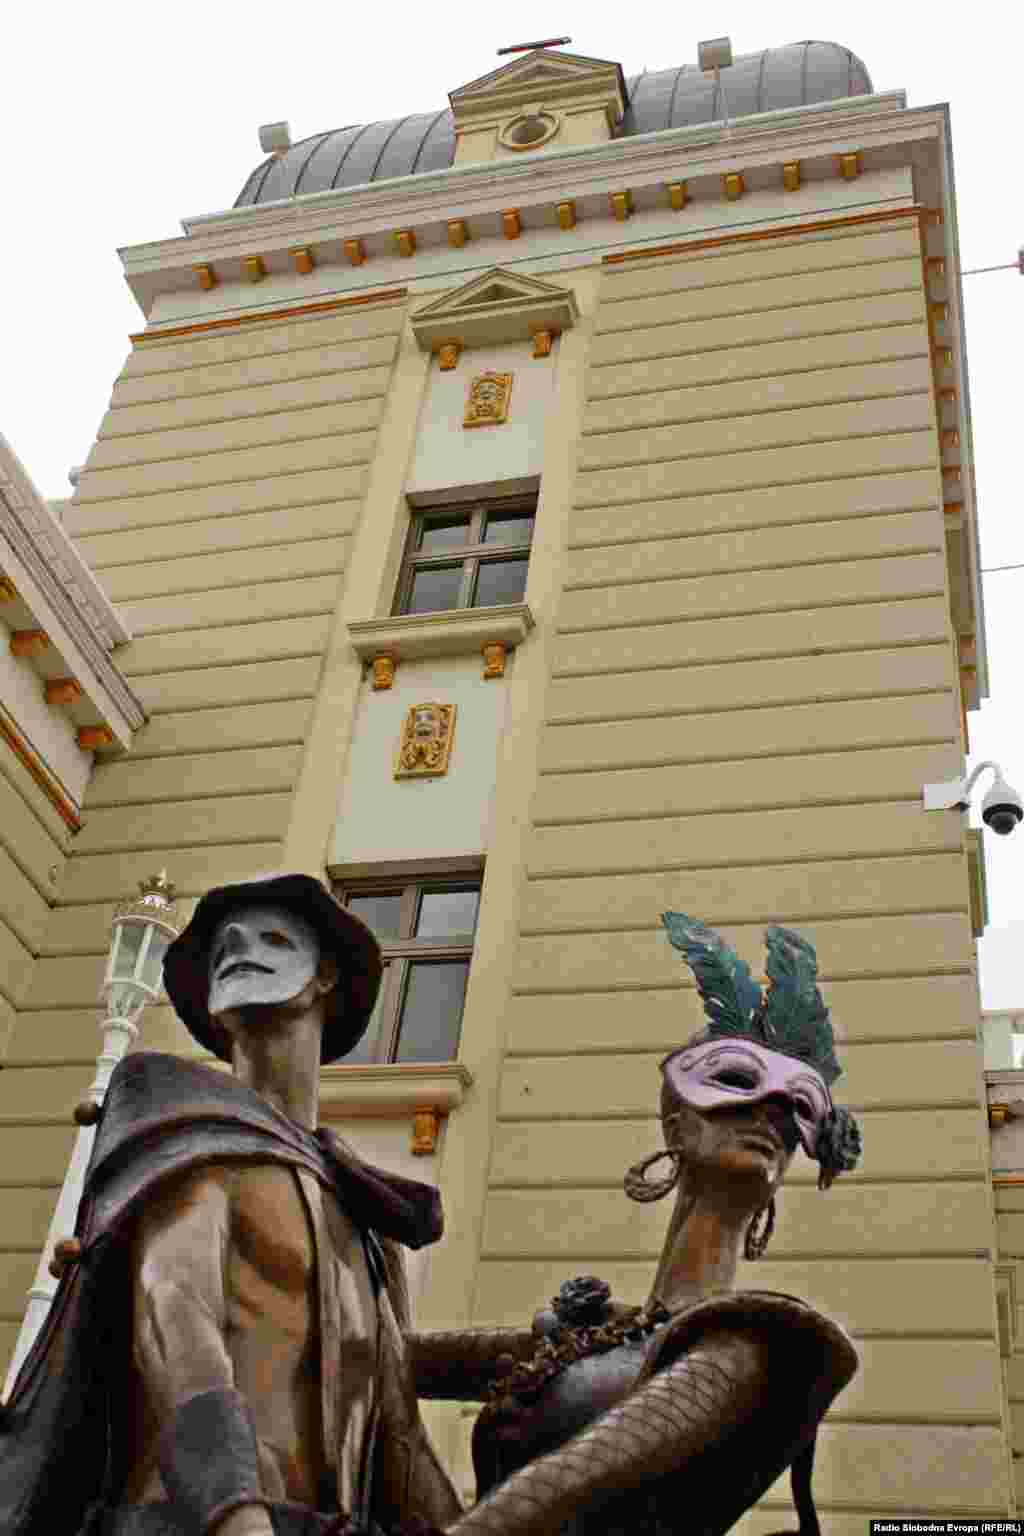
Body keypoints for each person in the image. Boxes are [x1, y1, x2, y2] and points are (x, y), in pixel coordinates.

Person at [0, 874, 472, 1536]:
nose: (239, 948)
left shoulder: (368, 1221)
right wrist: (235, 1515)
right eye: (224, 945)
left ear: (324, 978)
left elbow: (399, 1436)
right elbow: (177, 1313)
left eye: (272, 938)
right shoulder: (185, 1135)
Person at [402, 915, 863, 1536]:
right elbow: (385, 1357)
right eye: (736, 1082)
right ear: (675, 1128)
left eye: (796, 1110)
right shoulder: (591, 1340)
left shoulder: (755, 1341)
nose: (770, 1113)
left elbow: (577, 1478)